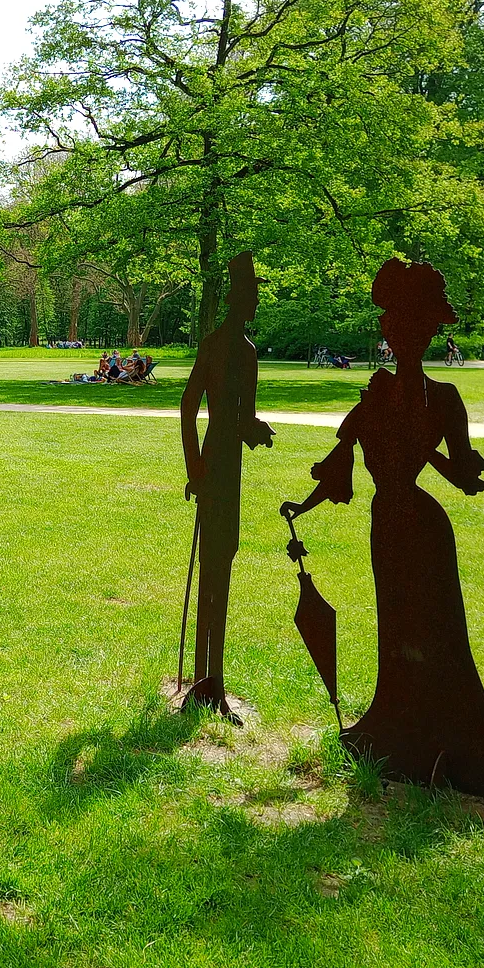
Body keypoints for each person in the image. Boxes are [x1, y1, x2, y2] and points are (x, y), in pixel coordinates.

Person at [281, 259, 484, 810]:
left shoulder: (437, 397)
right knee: (401, 632)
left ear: (425, 332)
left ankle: (461, 749)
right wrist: (303, 506)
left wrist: (422, 450)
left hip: (417, 526)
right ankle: (402, 734)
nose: (401, 339)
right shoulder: (381, 397)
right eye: (395, 330)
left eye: (411, 330)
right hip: (392, 525)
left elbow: (463, 477)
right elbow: (340, 469)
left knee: (438, 634)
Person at [180, 251, 276, 719]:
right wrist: (195, 466)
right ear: (239, 298)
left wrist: (255, 431)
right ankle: (201, 676)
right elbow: (188, 407)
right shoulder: (216, 345)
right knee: (210, 566)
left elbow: (243, 418)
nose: (256, 303)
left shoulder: (250, 353)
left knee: (226, 558)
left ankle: (214, 677)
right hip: (215, 462)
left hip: (232, 464)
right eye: (252, 295)